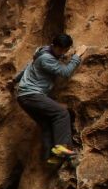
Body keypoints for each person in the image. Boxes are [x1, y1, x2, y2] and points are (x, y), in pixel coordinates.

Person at [12, 33, 88, 164]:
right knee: (61, 113)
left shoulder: (42, 52)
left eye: (65, 50)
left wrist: (15, 79)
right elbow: (65, 72)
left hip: (24, 97)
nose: (62, 52)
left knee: (46, 123)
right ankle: (62, 147)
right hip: (32, 95)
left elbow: (28, 67)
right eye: (60, 50)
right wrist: (77, 56)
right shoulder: (46, 58)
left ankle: (51, 157)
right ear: (54, 45)